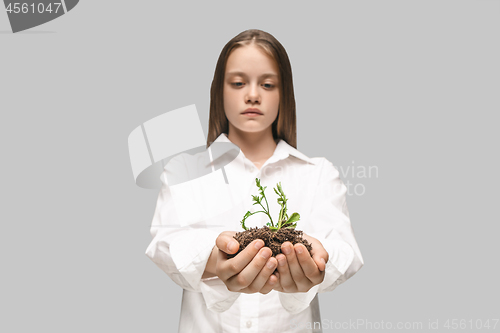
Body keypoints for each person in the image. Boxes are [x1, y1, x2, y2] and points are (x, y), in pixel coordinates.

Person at [145, 29, 364, 333]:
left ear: (283, 93)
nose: (252, 94)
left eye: (267, 84)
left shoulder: (317, 173)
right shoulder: (184, 170)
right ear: (218, 92)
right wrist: (214, 258)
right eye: (238, 83)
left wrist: (316, 259)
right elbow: (164, 244)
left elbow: (346, 252)